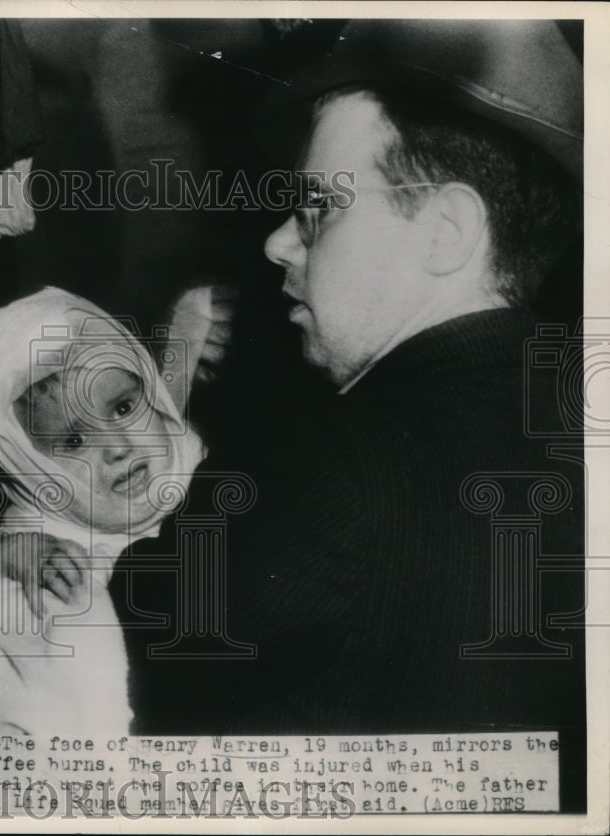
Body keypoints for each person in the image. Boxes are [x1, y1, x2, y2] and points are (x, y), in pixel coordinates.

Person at [112, 18, 586, 810]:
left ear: (448, 232)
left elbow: (133, 625)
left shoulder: (334, 462)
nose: (276, 244)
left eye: (318, 212)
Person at [0, 288, 204, 734]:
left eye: (124, 407)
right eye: (74, 442)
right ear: (28, 462)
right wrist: (11, 557)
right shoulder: (47, 540)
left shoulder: (188, 450)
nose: (117, 448)